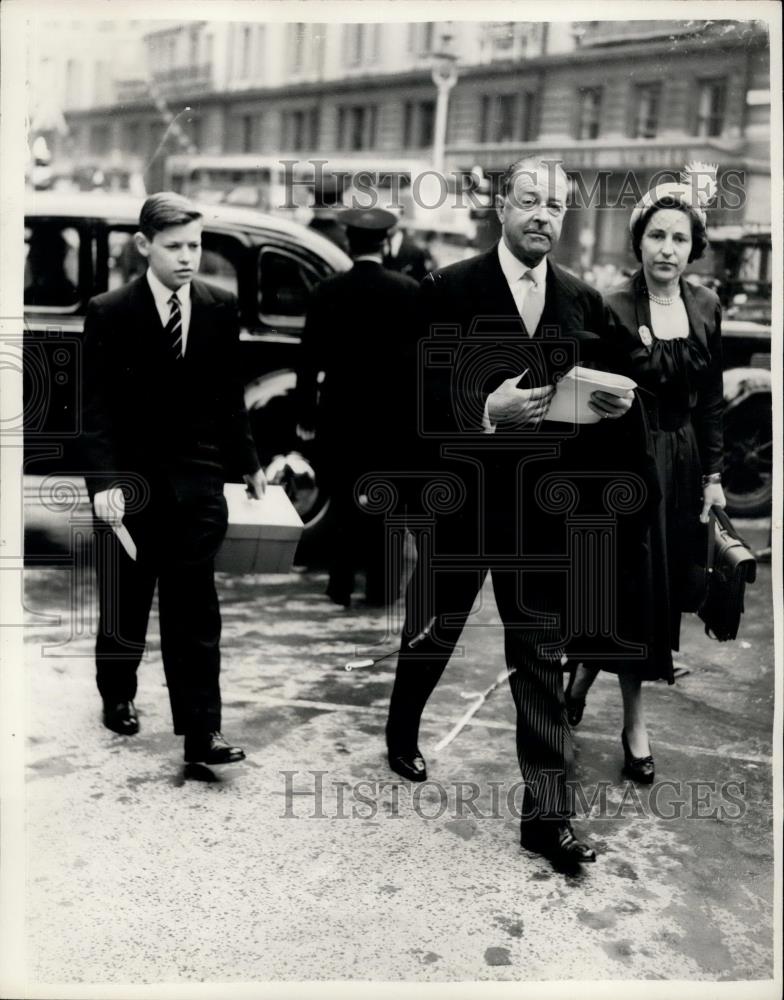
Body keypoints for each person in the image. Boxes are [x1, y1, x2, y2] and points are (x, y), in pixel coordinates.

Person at [385, 156, 664, 869]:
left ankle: (548, 820)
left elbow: (627, 378)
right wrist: (483, 409)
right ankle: (402, 725)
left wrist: (618, 398)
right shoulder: (449, 290)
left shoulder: (579, 298)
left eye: (556, 206)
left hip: (542, 514)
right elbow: (404, 404)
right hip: (464, 505)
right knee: (434, 630)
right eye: (530, 201)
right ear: (502, 208)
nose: (544, 215)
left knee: (539, 657)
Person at [80, 192, 266, 765]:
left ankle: (201, 732)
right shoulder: (110, 311)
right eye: (175, 246)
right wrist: (105, 483)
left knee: (195, 610)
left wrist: (250, 462)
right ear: (143, 246)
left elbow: (229, 397)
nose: (188, 257)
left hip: (196, 485)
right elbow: (96, 408)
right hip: (130, 486)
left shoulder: (217, 307)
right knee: (126, 601)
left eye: (196, 245)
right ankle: (118, 694)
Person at [564, 167, 726, 782]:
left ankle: (580, 677)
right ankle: (635, 725)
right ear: (638, 243)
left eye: (679, 239)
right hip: (624, 465)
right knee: (632, 590)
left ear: (693, 248)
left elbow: (709, 398)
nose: (667, 249)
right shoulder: (611, 308)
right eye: (656, 236)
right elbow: (583, 393)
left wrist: (713, 474)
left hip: (682, 466)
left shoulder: (706, 306)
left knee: (657, 594)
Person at [296, 207, 419, 607]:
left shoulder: (326, 291)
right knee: (386, 504)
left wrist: (306, 416)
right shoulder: (409, 291)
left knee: (344, 502)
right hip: (392, 420)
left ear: (348, 242)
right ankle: (382, 590)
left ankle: (340, 585)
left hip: (340, 416)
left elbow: (308, 361)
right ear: (385, 243)